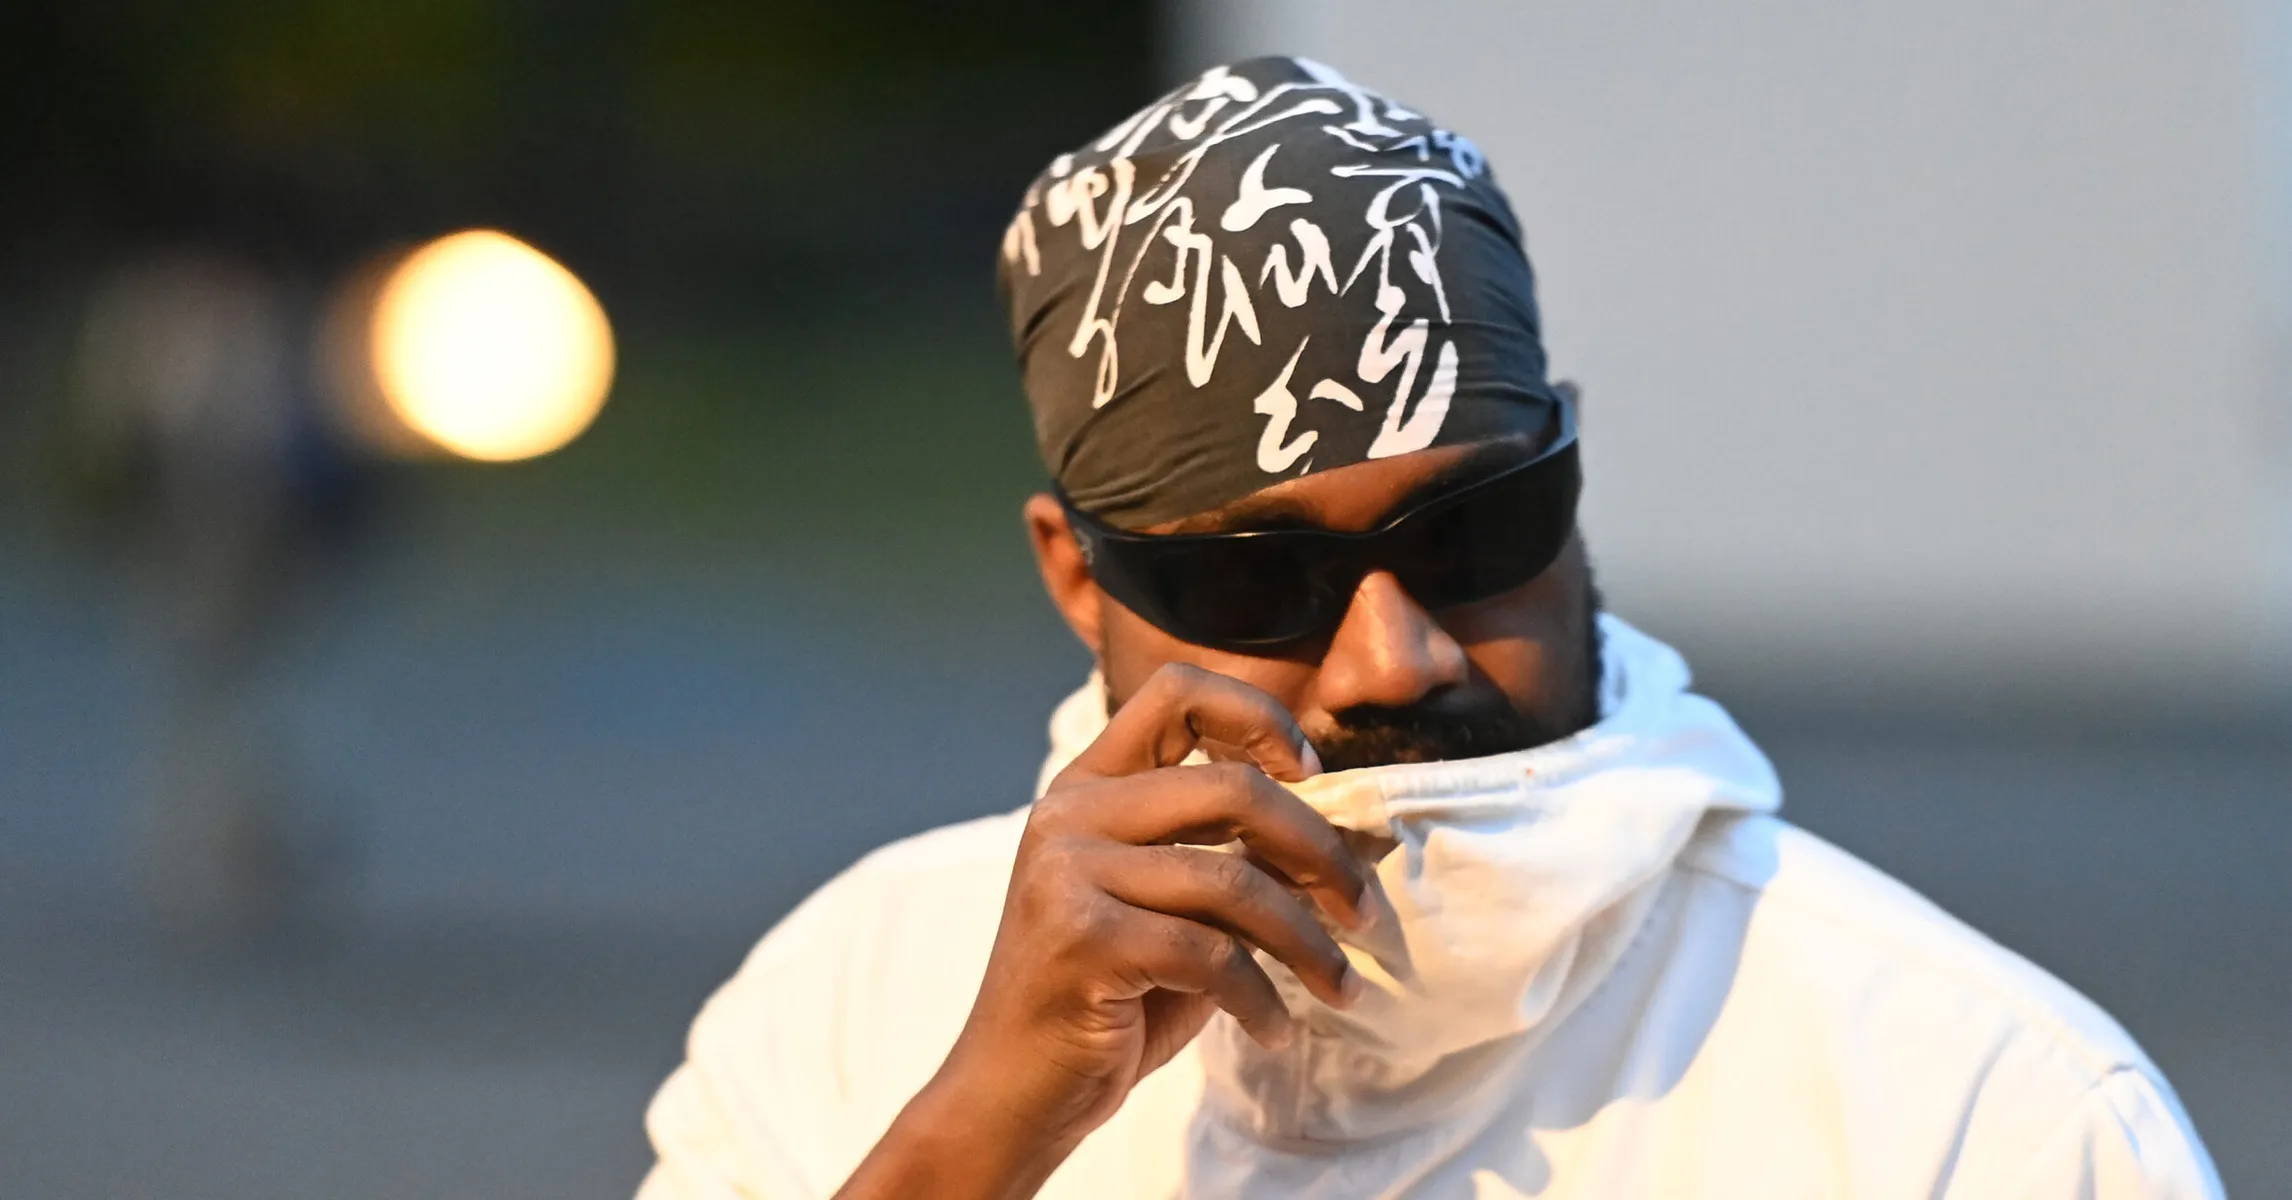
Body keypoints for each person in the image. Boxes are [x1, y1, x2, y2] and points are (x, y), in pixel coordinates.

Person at [638, 57, 2220, 1198]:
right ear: (1077, 579)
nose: (1396, 657)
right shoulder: (850, 1006)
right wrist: (978, 1134)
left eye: (1472, 534)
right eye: (1255, 583)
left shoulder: (1981, 1109)